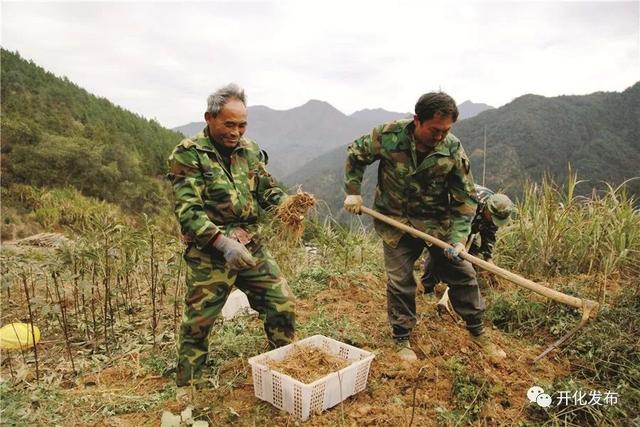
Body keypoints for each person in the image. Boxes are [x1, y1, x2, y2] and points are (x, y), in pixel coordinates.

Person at [343, 92, 506, 362]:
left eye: (446, 130)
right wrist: (352, 191)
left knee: (463, 274)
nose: (440, 136)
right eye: (435, 130)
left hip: (436, 223)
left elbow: (466, 198)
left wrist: (457, 238)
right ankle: (402, 337)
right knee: (400, 281)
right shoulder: (388, 135)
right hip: (393, 219)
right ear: (417, 120)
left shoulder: (452, 149)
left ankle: (478, 332)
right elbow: (356, 154)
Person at [167, 83, 296, 389]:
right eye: (229, 124)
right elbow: (188, 211)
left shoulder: (249, 151)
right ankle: (190, 384)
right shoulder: (188, 155)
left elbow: (268, 190)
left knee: (281, 302)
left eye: (242, 125)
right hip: (209, 250)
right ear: (209, 118)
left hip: (249, 244)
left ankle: (284, 362)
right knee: (199, 322)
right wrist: (221, 243)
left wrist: (288, 205)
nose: (236, 132)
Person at [421, 184, 515, 291]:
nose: (494, 221)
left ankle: (459, 287)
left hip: (470, 228)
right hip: (449, 222)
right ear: (488, 209)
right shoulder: (470, 200)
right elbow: (455, 221)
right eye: (493, 218)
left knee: (469, 257)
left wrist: (488, 257)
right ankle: (427, 285)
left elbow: (489, 233)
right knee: (441, 253)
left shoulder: (498, 211)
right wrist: (455, 242)